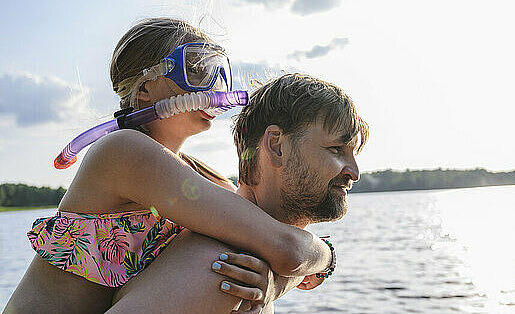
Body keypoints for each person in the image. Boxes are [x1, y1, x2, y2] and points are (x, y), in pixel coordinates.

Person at [3, 19, 339, 314]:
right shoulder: (123, 151)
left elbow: (273, 249)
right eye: (197, 71)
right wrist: (326, 254)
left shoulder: (206, 178)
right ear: (147, 86)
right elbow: (288, 248)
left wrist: (275, 284)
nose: (212, 86)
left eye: (218, 73)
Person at [106, 73, 369, 313]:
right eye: (336, 149)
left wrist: (297, 272)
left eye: (353, 154)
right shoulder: (225, 272)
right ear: (277, 146)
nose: (354, 172)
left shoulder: (250, 270)